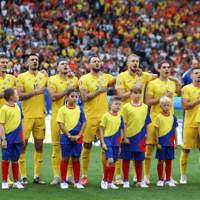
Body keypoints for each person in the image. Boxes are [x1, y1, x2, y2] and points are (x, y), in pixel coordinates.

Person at [115, 54, 181, 184]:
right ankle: (118, 176)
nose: (135, 63)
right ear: (127, 63)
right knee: (122, 145)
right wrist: (136, 88)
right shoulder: (121, 77)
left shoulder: (144, 75)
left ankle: (138, 176)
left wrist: (176, 80)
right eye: (133, 61)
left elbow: (160, 74)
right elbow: (121, 96)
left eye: (137, 61)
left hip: (140, 115)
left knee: (138, 146)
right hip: (125, 115)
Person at [79, 55, 115, 185]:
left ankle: (105, 177)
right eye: (94, 61)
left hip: (104, 117)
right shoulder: (84, 79)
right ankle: (84, 176)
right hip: (89, 117)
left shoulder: (106, 77)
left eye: (99, 61)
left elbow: (120, 79)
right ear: (89, 65)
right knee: (87, 145)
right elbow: (83, 98)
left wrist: (137, 71)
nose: (97, 63)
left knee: (104, 147)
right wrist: (99, 91)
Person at [145, 61, 181, 185]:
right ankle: (146, 176)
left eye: (168, 67)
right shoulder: (152, 84)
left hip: (169, 121)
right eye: (164, 68)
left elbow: (180, 93)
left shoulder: (172, 84)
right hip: (154, 118)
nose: (167, 69)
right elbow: (148, 102)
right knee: (149, 147)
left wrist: (177, 81)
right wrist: (162, 97)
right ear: (158, 70)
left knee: (168, 149)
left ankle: (167, 177)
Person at [16, 54, 48, 185]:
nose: (35, 62)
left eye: (36, 60)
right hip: (26, 116)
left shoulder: (44, 76)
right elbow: (19, 96)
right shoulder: (22, 77)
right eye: (32, 60)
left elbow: (56, 82)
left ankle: (36, 176)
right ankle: (23, 176)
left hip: (40, 116)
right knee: (22, 145)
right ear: (27, 63)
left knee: (39, 145)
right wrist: (34, 92)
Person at [48, 58, 79, 185]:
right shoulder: (52, 80)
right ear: (57, 68)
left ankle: (69, 176)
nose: (65, 65)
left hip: (73, 120)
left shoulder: (75, 80)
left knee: (72, 148)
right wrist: (68, 89)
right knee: (56, 148)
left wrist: (72, 82)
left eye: (67, 64)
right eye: (62, 64)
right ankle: (56, 176)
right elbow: (53, 97)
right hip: (57, 119)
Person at [120, 85, 151, 188]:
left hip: (141, 138)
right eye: (136, 93)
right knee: (126, 159)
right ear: (131, 94)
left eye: (140, 93)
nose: (138, 95)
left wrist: (148, 138)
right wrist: (125, 137)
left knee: (139, 159)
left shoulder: (145, 107)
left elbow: (147, 123)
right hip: (129, 137)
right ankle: (126, 181)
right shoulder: (126, 107)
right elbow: (123, 123)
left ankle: (139, 180)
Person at [57, 89, 86, 189]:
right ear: (66, 97)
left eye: (76, 96)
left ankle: (77, 181)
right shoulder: (62, 110)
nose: (74, 98)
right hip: (66, 138)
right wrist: (69, 136)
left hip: (78, 138)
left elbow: (84, 123)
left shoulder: (79, 109)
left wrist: (79, 135)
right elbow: (61, 124)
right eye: (72, 96)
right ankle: (63, 181)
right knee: (65, 158)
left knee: (76, 158)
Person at [100, 96, 129, 189]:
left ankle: (109, 182)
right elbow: (102, 129)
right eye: (116, 104)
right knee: (110, 160)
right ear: (110, 105)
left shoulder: (120, 117)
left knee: (114, 163)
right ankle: (104, 180)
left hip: (116, 143)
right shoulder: (106, 116)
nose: (118, 106)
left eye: (119, 104)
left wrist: (120, 144)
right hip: (108, 142)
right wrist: (103, 142)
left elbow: (121, 130)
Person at [0, 88, 25, 189]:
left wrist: (22, 137)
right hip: (8, 139)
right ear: (11, 97)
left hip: (17, 139)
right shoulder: (3, 109)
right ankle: (5, 181)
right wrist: (3, 139)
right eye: (16, 94)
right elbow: (1, 125)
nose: (18, 95)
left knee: (15, 160)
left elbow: (21, 122)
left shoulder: (18, 107)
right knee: (6, 159)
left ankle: (16, 181)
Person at [180, 67, 200, 184]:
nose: (199, 75)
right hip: (190, 123)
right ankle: (183, 175)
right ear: (191, 76)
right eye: (196, 73)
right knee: (185, 149)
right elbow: (185, 106)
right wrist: (198, 101)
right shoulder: (186, 88)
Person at [0, 54, 16, 185]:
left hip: (7, 121)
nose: (5, 64)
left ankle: (7, 178)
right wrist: (3, 95)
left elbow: (20, 87)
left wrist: (44, 73)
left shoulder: (12, 79)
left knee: (6, 150)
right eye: (2, 62)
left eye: (6, 62)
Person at [155, 97, 178, 187]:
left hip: (170, 143)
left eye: (167, 105)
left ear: (170, 106)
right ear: (160, 106)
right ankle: (160, 179)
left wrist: (176, 142)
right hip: (162, 143)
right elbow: (156, 130)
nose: (166, 107)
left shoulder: (173, 117)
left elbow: (175, 130)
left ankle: (168, 179)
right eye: (164, 105)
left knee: (169, 161)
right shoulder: (158, 117)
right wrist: (157, 143)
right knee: (161, 160)